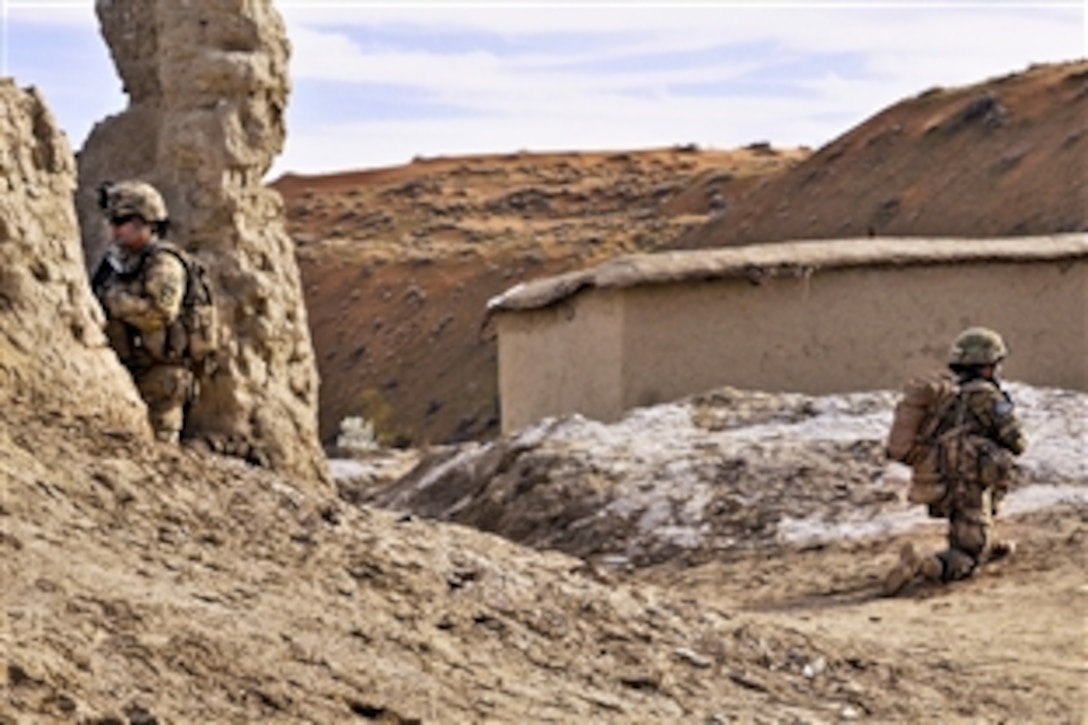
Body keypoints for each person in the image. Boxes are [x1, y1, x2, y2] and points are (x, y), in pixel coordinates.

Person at [883, 326, 1027, 596]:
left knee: (968, 523)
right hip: (970, 476)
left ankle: (979, 542)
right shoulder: (987, 396)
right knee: (967, 558)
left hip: (942, 474)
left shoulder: (948, 395)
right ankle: (927, 565)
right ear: (986, 366)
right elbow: (1017, 441)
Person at [91, 180, 194, 444]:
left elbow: (159, 313)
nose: (115, 229)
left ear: (147, 221)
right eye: (112, 220)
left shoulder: (164, 264)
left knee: (156, 456)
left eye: (122, 220)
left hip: (160, 378)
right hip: (126, 369)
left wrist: (112, 300)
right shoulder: (117, 262)